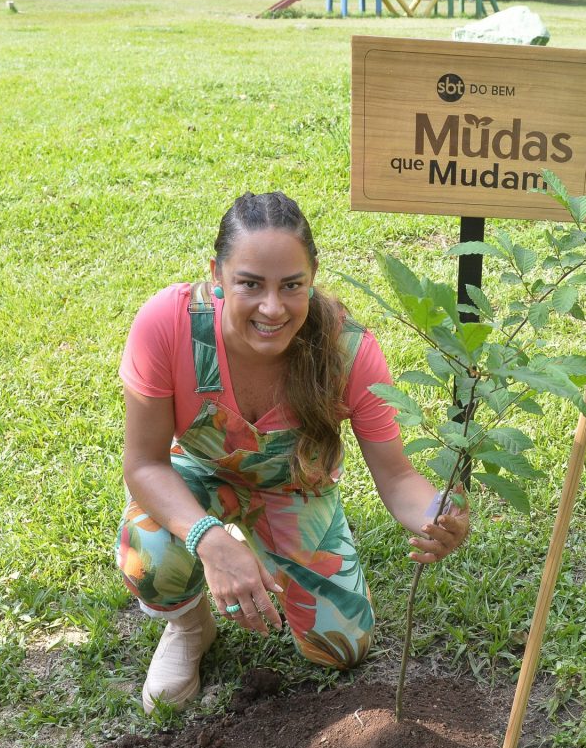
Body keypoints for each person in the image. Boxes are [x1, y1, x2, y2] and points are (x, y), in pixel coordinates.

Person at [116, 191, 469, 713]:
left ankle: (275, 550)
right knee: (149, 554)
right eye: (250, 284)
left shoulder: (347, 351)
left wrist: (439, 515)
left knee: (341, 648)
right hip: (197, 476)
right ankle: (190, 627)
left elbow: (396, 479)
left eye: (291, 286)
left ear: (313, 277)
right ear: (216, 274)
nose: (272, 307)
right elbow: (144, 463)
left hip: (295, 488)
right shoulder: (167, 326)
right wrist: (211, 541)